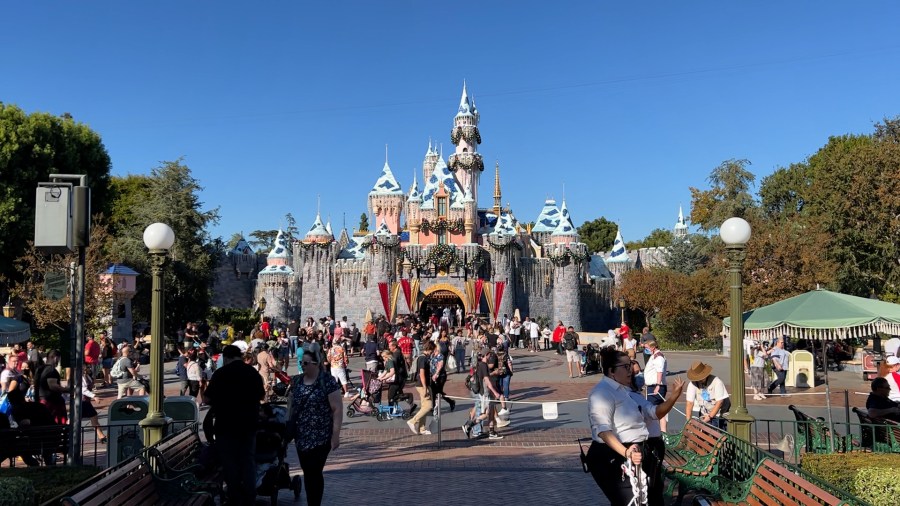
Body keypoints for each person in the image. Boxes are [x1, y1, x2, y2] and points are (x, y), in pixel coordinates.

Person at [586, 348, 658, 505]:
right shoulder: (602, 393)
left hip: (633, 452)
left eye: (630, 365)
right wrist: (626, 453)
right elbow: (603, 431)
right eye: (625, 367)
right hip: (612, 455)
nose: (630, 370)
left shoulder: (623, 390)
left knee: (640, 501)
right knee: (630, 501)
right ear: (612, 371)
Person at [205, 345, 265, 504]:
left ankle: (235, 495)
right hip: (248, 425)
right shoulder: (252, 373)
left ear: (226, 357)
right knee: (248, 460)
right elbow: (261, 395)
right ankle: (250, 495)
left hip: (225, 426)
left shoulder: (220, 374)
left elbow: (206, 399)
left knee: (229, 462)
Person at [288, 342, 342, 506]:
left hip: (321, 436)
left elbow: (337, 409)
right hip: (301, 436)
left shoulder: (327, 381)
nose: (302, 366)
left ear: (316, 363)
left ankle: (314, 502)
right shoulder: (297, 381)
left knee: (314, 471)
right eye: (301, 363)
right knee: (307, 471)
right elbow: (291, 404)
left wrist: (335, 435)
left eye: (305, 363)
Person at [628, 361, 685, 506]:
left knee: (654, 485)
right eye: (635, 373)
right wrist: (674, 396)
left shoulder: (637, 395)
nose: (639, 376)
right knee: (651, 487)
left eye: (639, 371)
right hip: (648, 446)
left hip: (653, 444)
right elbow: (655, 413)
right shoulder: (631, 397)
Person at [685, 361, 730, 429]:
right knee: (702, 433)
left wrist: (709, 417)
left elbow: (719, 402)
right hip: (705, 412)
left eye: (700, 377)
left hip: (719, 414)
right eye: (696, 378)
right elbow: (689, 403)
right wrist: (689, 421)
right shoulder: (692, 384)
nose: (698, 380)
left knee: (718, 433)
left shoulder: (717, 382)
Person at [407, 341, 434, 435]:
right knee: (428, 406)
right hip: (422, 385)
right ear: (429, 349)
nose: (432, 353)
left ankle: (422, 428)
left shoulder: (422, 357)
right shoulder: (423, 359)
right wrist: (425, 386)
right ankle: (412, 421)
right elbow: (422, 373)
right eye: (432, 350)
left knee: (424, 406)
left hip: (420, 384)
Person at [643, 339, 668, 432]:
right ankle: (662, 432)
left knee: (652, 411)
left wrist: (657, 385)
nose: (645, 350)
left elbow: (659, 371)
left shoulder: (658, 357)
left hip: (656, 387)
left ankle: (655, 432)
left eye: (647, 348)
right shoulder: (654, 356)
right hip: (653, 386)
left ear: (653, 347)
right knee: (659, 411)